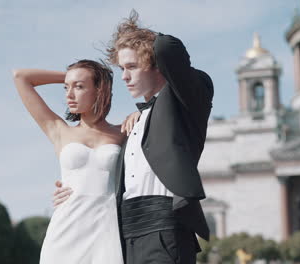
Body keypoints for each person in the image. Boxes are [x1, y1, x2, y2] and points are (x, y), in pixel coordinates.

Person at [54, 10, 214, 264]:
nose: (124, 77)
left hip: (164, 230)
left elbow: (166, 47)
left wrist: (135, 38)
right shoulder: (135, 122)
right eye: (121, 68)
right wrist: (73, 190)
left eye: (132, 67)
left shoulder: (187, 100)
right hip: (122, 234)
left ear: (157, 66)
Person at [13, 60, 127, 263]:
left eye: (79, 87)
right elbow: (21, 77)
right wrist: (71, 76)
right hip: (66, 227)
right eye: (67, 87)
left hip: (106, 230)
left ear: (100, 90)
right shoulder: (59, 130)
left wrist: (138, 114)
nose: (69, 94)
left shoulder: (123, 132)